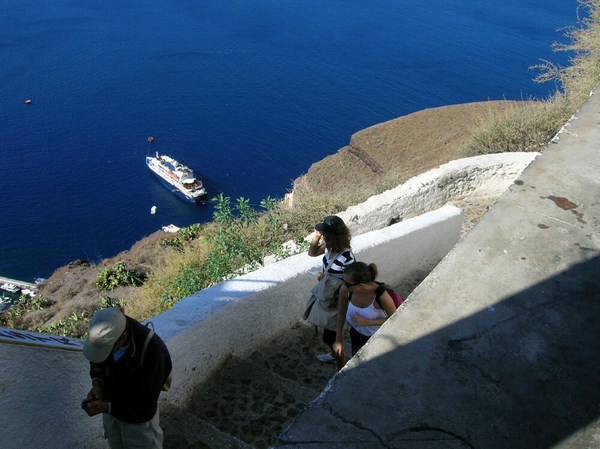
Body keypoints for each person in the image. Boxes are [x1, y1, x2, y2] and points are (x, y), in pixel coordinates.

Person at [81, 307, 172, 449]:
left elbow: (146, 407)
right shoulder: (107, 337)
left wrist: (107, 407)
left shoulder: (152, 351)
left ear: (123, 337)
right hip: (111, 410)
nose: (102, 353)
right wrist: (97, 383)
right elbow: (97, 360)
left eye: (105, 349)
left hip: (139, 422)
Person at [307, 215, 355, 366]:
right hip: (329, 297)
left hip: (338, 301)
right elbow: (312, 253)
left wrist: (328, 280)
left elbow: (350, 283)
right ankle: (335, 356)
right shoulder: (330, 248)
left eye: (325, 234)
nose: (324, 236)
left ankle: (341, 367)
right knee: (328, 336)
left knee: (332, 338)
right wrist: (316, 236)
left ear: (332, 236)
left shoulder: (346, 257)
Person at [333, 262, 397, 368]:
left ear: (360, 285)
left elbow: (394, 318)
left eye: (347, 283)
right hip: (355, 334)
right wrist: (338, 339)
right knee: (357, 361)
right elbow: (341, 312)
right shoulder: (346, 290)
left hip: (377, 338)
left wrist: (368, 322)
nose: (343, 285)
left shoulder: (381, 296)